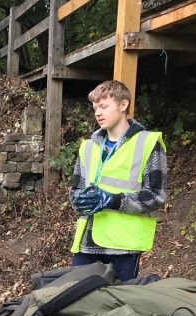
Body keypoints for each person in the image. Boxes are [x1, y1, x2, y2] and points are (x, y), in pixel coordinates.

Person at [69, 80, 167, 281]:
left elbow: (156, 196)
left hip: (123, 246)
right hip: (85, 243)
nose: (97, 113)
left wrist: (112, 200)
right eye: (95, 107)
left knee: (115, 308)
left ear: (123, 105)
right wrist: (78, 201)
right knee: (75, 305)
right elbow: (75, 190)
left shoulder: (147, 143)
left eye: (104, 106)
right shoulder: (87, 147)